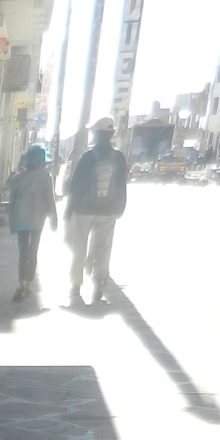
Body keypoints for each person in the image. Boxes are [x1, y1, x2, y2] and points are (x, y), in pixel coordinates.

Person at [64, 116, 128, 306]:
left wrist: (69, 209)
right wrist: (120, 207)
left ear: (97, 134)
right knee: (103, 247)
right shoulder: (118, 157)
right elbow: (121, 184)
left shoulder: (87, 156)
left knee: (79, 247)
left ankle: (76, 284)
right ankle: (99, 282)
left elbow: (75, 185)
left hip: (84, 209)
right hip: (109, 210)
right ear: (111, 134)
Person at [7, 144, 58, 301]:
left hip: (21, 220)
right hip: (37, 220)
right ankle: (29, 283)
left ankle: (21, 282)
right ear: (42, 161)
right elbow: (50, 199)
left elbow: (12, 202)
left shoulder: (18, 178)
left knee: (23, 253)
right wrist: (53, 219)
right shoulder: (46, 177)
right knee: (33, 251)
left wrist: (12, 222)